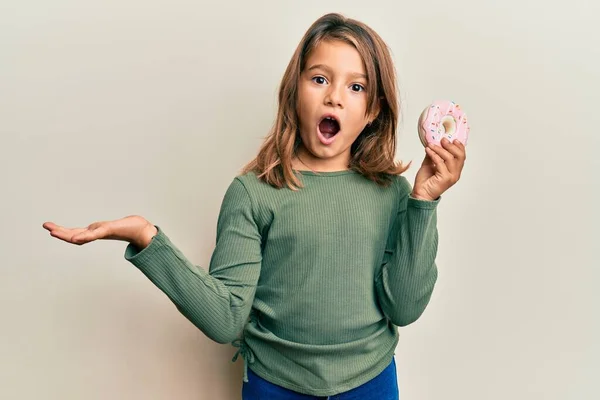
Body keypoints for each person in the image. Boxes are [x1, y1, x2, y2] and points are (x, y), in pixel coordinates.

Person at [43, 12, 466, 400]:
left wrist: (423, 202)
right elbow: (226, 318)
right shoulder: (252, 194)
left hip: (370, 382)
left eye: (356, 87)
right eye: (320, 79)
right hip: (274, 385)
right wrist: (146, 238)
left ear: (373, 109)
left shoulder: (392, 193)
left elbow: (404, 308)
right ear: (295, 89)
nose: (335, 97)